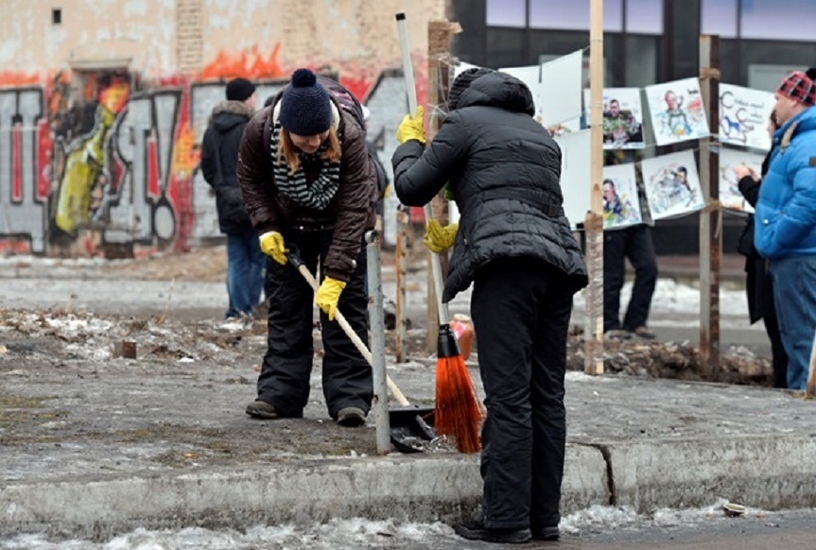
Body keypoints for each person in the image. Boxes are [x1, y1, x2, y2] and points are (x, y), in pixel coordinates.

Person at [392, 67, 588, 544]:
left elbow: (412, 188)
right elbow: (508, 196)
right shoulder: (539, 134)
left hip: (508, 271)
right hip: (557, 267)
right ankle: (544, 517)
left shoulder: (463, 123)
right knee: (546, 395)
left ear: (463, 100)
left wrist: (410, 146)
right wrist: (463, 230)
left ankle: (505, 518)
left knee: (509, 395)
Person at [237, 68, 378, 426]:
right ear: (285, 130)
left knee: (345, 309)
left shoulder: (349, 133)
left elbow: (355, 205)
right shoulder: (259, 130)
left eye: (320, 135)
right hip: (289, 226)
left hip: (342, 225)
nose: (314, 142)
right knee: (287, 309)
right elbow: (250, 178)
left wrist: (337, 271)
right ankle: (279, 393)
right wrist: (267, 227)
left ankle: (349, 397)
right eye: (304, 137)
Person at [754, 68, 816, 391]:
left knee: (801, 339)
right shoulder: (797, 139)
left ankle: (805, 422)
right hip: (793, 255)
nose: (775, 105)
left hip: (799, 257)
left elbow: (811, 201)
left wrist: (777, 237)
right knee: (795, 339)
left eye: (778, 98)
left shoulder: (807, 143)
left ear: (794, 101)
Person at [200, 77, 265, 320]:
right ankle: (250, 308)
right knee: (257, 259)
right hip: (251, 201)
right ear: (247, 98)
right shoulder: (249, 128)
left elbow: (207, 170)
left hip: (226, 203)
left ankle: (236, 310)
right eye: (253, 95)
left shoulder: (211, 130)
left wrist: (221, 188)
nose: (256, 100)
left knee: (236, 258)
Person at [734, 111, 788, 389]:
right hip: (769, 253)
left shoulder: (788, 151)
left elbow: (770, 204)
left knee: (782, 332)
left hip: (773, 254)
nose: (767, 128)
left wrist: (746, 183)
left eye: (771, 121)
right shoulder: (785, 152)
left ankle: (788, 385)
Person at [603, 174, 658, 340]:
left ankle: (636, 320)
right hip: (610, 220)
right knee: (613, 274)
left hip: (637, 215)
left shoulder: (638, 154)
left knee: (649, 268)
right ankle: (610, 323)